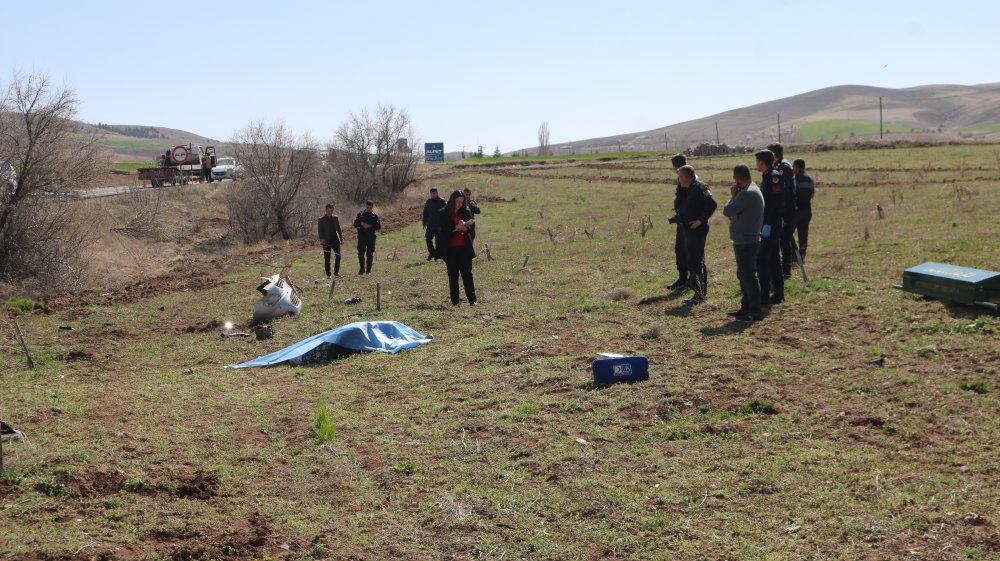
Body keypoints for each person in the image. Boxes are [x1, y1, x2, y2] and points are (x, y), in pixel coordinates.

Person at [723, 165, 765, 322]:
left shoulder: (747, 193)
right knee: (743, 275)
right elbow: (732, 212)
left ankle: (754, 312)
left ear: (737, 178)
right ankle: (745, 307)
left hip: (746, 241)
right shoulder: (750, 190)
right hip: (746, 240)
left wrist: (733, 196)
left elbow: (728, 211)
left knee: (749, 277)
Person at [675, 165, 717, 305]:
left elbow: (712, 203)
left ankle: (700, 295)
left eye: (680, 177)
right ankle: (699, 293)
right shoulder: (688, 188)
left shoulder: (700, 187)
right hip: (689, 230)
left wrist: (700, 220)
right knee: (695, 261)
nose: (679, 180)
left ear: (686, 177)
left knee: (696, 262)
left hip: (697, 230)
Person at [436, 190, 477, 306]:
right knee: (453, 275)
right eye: (457, 201)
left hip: (464, 248)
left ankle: (472, 300)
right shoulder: (443, 213)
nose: (459, 204)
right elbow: (442, 232)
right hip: (450, 249)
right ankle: (455, 301)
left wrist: (465, 229)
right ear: (452, 200)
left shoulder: (466, 212)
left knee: (467, 274)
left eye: (461, 202)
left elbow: (470, 231)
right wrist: (456, 228)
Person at [755, 150, 785, 305]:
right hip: (767, 223)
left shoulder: (774, 177)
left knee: (762, 259)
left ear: (762, 162)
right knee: (773, 258)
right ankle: (778, 293)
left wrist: (769, 224)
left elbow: (776, 204)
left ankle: (765, 295)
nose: (756, 164)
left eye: (757, 161)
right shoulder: (767, 176)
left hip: (771, 224)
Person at [768, 143, 796, 278]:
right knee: (780, 240)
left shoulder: (783, 167)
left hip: (785, 209)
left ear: (774, 155)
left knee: (784, 240)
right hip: (781, 209)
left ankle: (786, 270)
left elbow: (783, 191)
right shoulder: (777, 166)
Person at [667, 154, 689, 290]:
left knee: (688, 251)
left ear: (675, 167)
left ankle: (691, 281)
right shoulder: (684, 177)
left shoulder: (687, 179)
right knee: (680, 250)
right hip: (682, 220)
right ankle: (682, 279)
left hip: (688, 221)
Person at [791, 159, 815, 262]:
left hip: (796, 211)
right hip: (807, 210)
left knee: (787, 233)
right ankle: (802, 254)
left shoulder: (794, 179)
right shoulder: (810, 179)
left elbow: (791, 194)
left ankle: (794, 255)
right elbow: (812, 194)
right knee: (803, 234)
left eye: (793, 167)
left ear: (796, 167)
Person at [353, 200, 381, 275]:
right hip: (361, 237)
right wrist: (361, 223)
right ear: (365, 206)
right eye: (368, 207)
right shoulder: (360, 214)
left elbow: (378, 226)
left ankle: (368, 270)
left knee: (370, 254)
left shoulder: (374, 216)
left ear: (372, 207)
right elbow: (355, 224)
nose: (369, 209)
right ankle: (362, 269)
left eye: (370, 208)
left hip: (371, 237)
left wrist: (370, 225)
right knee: (361, 253)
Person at [318, 203, 343, 277]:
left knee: (338, 256)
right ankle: (328, 274)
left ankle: (336, 272)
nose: (330, 212)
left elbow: (339, 229)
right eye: (329, 211)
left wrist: (341, 239)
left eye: (332, 211)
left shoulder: (335, 218)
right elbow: (320, 231)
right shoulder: (321, 219)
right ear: (326, 210)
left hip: (335, 240)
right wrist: (322, 239)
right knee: (327, 258)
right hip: (326, 241)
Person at [422, 188, 445, 260]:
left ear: (437, 193)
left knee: (438, 241)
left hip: (439, 225)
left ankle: (437, 255)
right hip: (430, 225)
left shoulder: (442, 201)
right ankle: (432, 253)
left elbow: (445, 213)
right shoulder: (428, 202)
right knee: (428, 239)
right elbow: (425, 213)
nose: (433, 195)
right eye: (431, 194)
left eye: (434, 193)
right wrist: (424, 222)